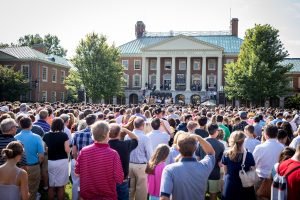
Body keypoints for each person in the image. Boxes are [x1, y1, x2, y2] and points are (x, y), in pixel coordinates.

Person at [75, 121, 123, 199]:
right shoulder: (113, 154)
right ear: (105, 134)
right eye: (108, 132)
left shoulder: (84, 151)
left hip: (88, 195)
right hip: (107, 196)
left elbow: (77, 173)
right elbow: (119, 179)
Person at [160, 134, 215, 200]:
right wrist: (199, 138)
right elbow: (211, 153)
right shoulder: (204, 166)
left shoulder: (169, 169)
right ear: (195, 148)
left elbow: (164, 197)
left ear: (178, 148)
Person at [15, 117, 44, 200]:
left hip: (19, 167)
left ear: (20, 125)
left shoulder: (15, 137)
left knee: (20, 190)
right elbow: (41, 156)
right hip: (33, 166)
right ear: (31, 125)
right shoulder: (37, 137)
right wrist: (38, 163)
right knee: (33, 190)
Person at [221, 131, 256, 200]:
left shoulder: (226, 154)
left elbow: (225, 171)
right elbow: (253, 168)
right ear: (243, 141)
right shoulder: (249, 155)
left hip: (230, 184)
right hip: (245, 185)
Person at [125, 117, 153, 200]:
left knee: (130, 189)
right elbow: (149, 154)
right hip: (141, 166)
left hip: (129, 164)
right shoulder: (145, 138)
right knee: (141, 191)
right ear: (143, 126)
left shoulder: (127, 136)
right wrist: (150, 165)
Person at [108, 123, 138, 200]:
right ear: (119, 133)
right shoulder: (125, 144)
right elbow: (136, 139)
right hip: (122, 180)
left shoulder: (105, 145)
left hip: (108, 180)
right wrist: (126, 130)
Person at [43, 117, 70, 200]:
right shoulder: (64, 135)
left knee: (51, 185)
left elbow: (44, 149)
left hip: (51, 161)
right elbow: (67, 150)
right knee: (61, 186)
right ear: (62, 125)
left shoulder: (46, 135)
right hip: (62, 161)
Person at [196, 124, 225, 200]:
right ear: (216, 132)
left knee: (201, 195)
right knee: (213, 196)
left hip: (202, 172)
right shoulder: (221, 145)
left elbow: (198, 158)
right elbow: (220, 163)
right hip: (214, 173)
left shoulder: (201, 142)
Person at [71, 114, 96, 200]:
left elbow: (74, 152)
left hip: (78, 161)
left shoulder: (77, 134)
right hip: (91, 164)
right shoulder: (96, 135)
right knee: (89, 184)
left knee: (76, 183)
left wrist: (78, 161)